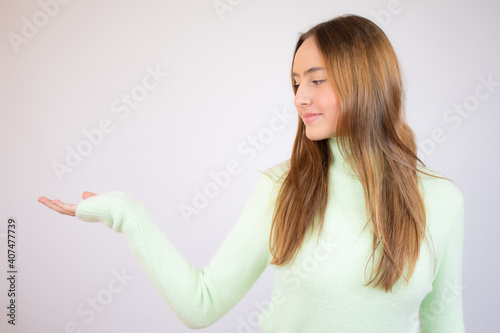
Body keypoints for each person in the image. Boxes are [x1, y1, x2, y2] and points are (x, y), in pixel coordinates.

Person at [38, 14, 465, 332]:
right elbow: (202, 303)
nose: (300, 97)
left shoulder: (442, 201)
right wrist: (127, 214)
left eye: (316, 81)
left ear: (366, 82)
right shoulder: (283, 189)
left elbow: (443, 320)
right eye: (296, 82)